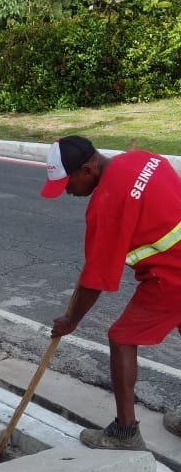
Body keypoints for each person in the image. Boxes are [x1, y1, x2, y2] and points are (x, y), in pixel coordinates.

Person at [40, 135, 181, 451]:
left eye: (68, 182)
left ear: (88, 169)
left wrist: (70, 321)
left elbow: (96, 281)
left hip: (174, 275)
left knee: (122, 337)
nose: (67, 191)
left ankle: (126, 432)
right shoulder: (140, 157)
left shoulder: (105, 205)